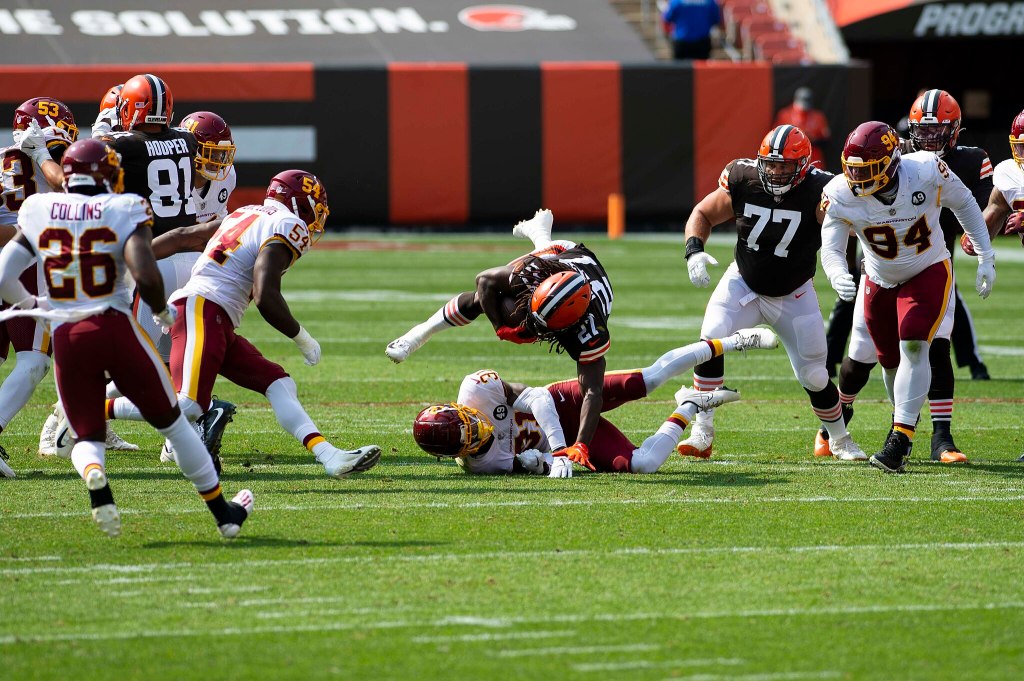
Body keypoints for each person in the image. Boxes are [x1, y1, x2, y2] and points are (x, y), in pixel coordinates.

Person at [0, 138, 252, 537]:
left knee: (85, 433)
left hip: (67, 335)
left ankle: (96, 478)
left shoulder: (39, 208)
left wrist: (31, 302)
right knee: (174, 424)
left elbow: (3, 275)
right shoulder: (124, 207)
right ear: (107, 174)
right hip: (114, 326)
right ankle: (223, 513)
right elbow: (146, 273)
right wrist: (162, 311)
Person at [101, 170, 382, 479]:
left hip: (215, 317)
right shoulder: (290, 224)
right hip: (202, 309)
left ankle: (329, 456)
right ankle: (91, 409)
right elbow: (265, 295)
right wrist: (302, 337)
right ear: (300, 203)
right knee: (190, 405)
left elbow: (184, 235)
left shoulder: (243, 212)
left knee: (279, 383)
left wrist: (129, 260)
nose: (316, 217)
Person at [817, 91, 994, 465]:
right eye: (852, 169)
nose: (857, 177)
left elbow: (965, 204)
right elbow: (831, 246)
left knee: (916, 344)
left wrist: (985, 256)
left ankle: (900, 438)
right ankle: (901, 427)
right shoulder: (839, 192)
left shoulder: (925, 170)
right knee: (889, 361)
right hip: (878, 276)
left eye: (866, 169)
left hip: (927, 268)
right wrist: (835, 273)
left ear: (890, 162)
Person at [679, 124, 866, 461]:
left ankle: (839, 440)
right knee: (710, 340)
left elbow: (849, 229)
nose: (776, 172)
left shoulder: (821, 189)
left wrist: (851, 265)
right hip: (744, 282)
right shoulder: (743, 176)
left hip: (794, 293)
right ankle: (702, 430)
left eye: (785, 166)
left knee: (814, 375)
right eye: (771, 164)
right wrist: (694, 250)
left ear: (803, 165)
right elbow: (703, 212)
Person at [387, 209, 614, 471]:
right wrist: (500, 327)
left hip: (582, 273)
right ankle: (417, 335)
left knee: (525, 324)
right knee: (492, 303)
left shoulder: (591, 333)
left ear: (569, 327)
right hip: (560, 260)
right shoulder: (534, 274)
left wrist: (581, 445)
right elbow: (484, 281)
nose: (535, 324)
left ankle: (539, 231)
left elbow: (593, 392)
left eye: (545, 323)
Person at [412, 329, 777, 475]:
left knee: (648, 379)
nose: (479, 428)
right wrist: (542, 464)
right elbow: (533, 467)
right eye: (470, 437)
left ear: (460, 408)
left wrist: (559, 451)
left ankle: (735, 341)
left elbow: (538, 396)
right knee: (643, 465)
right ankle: (691, 403)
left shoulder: (477, 389)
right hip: (568, 444)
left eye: (470, 421)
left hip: (563, 404)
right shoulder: (483, 465)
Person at [0, 98, 79, 475]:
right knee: (34, 361)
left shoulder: (3, 159)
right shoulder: (56, 164)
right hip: (29, 267)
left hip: (15, 259)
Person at [774, 88, 831, 169]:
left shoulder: (818, 116)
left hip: (814, 162)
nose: (804, 109)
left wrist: (811, 139)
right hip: (791, 162)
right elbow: (776, 139)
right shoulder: (784, 115)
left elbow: (826, 140)